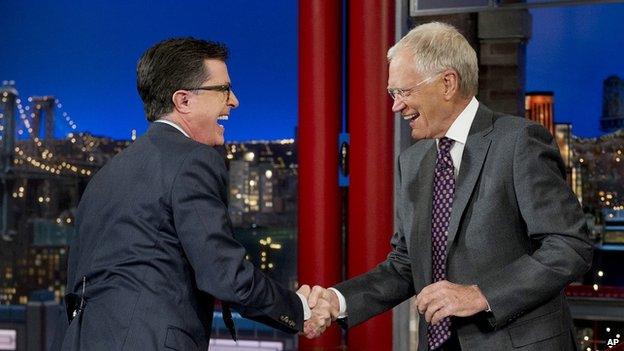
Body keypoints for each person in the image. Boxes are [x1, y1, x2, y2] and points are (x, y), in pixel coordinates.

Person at [306, 22, 593, 350]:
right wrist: (338, 300)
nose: (396, 106)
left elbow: (570, 246)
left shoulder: (518, 142)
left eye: (404, 91)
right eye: (392, 93)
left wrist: (481, 295)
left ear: (447, 83)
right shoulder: (412, 162)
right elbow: (405, 265)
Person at [56, 38, 334, 350]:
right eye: (224, 90)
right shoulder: (193, 160)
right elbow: (226, 276)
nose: (234, 101)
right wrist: (300, 310)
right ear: (183, 101)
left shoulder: (106, 174)